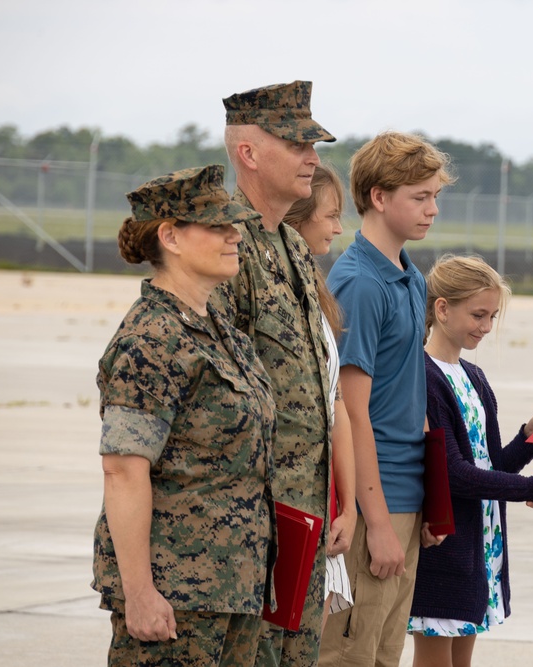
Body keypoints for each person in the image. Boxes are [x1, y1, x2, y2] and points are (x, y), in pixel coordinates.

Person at [92, 164, 275, 666]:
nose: (233, 234)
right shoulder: (150, 341)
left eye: (231, 223)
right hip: (176, 594)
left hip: (233, 585)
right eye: (217, 225)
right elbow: (124, 471)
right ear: (170, 237)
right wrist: (140, 593)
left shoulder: (223, 332)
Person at [408, 255, 533, 667]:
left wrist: (530, 438)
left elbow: (491, 469)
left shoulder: (475, 377)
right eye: (478, 314)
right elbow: (456, 475)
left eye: (492, 316)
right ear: (442, 309)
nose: (486, 327)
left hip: (480, 546)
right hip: (445, 548)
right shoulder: (423, 377)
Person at [213, 80, 337, 667]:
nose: (313, 157)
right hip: (247, 525)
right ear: (249, 153)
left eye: (313, 143)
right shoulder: (222, 247)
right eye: (296, 143)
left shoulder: (290, 244)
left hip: (303, 517)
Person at [318, 131, 453, 667]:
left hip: (407, 497)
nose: (433, 210)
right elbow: (352, 413)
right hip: (376, 502)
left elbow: (407, 398)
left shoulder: (409, 277)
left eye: (435, 197)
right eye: (420, 197)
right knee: (348, 654)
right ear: (378, 197)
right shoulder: (359, 284)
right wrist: (374, 521)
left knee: (383, 655)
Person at [282, 164, 356, 625]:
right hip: (292, 507)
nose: (337, 226)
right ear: (300, 216)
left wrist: (347, 506)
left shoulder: (315, 289)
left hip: (323, 506)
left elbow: (337, 406)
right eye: (329, 215)